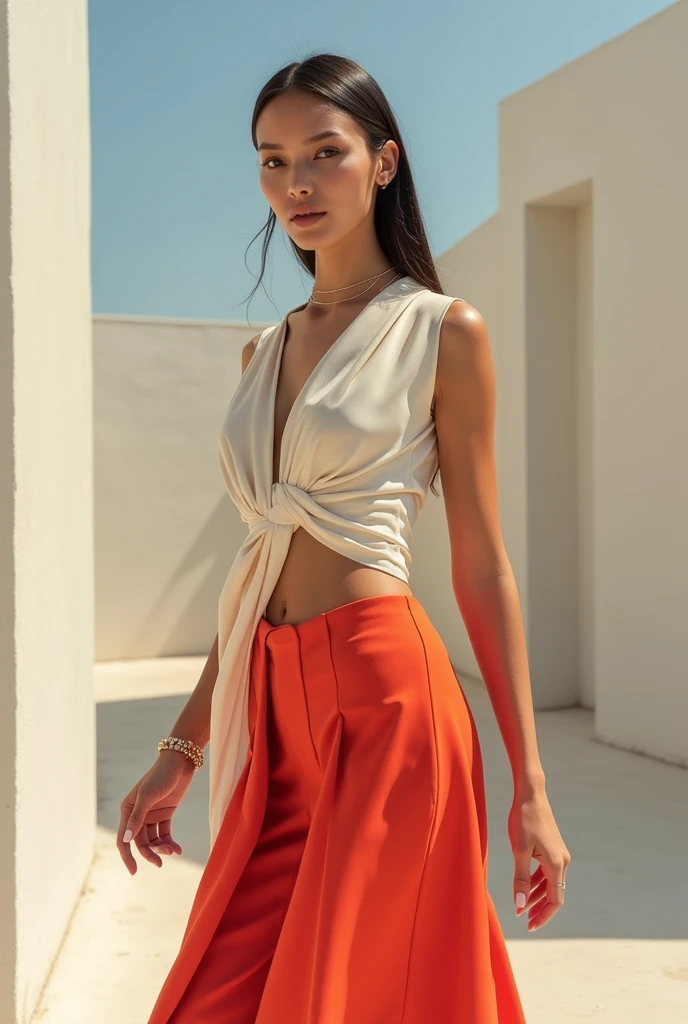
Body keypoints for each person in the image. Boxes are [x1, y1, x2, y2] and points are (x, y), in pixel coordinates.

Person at [117, 52, 571, 1023]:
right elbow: (256, 569)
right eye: (272, 161)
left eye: (324, 153)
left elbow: (484, 564)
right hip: (271, 709)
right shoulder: (261, 351)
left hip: (386, 704)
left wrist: (528, 783)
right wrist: (181, 745)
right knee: (215, 995)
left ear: (383, 162)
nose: (296, 184)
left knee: (351, 995)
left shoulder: (444, 331)